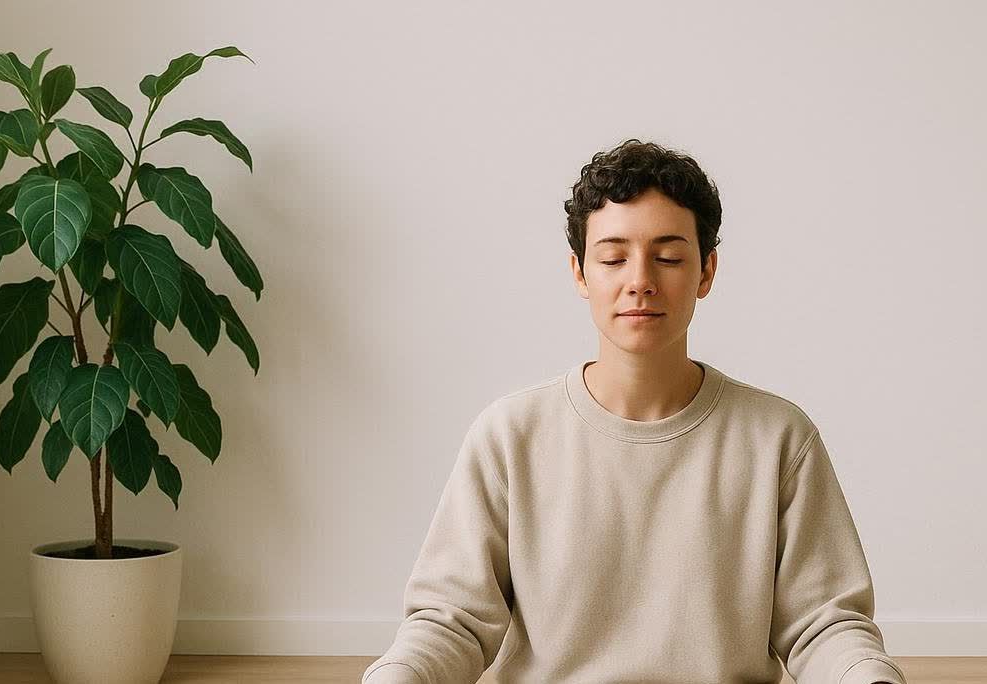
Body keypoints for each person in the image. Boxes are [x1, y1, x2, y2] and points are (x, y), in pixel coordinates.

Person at [363, 139, 908, 684]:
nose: (640, 280)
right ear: (580, 273)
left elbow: (824, 623)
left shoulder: (778, 438)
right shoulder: (510, 436)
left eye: (668, 257)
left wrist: (868, 675)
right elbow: (451, 620)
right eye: (613, 258)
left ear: (706, 271)